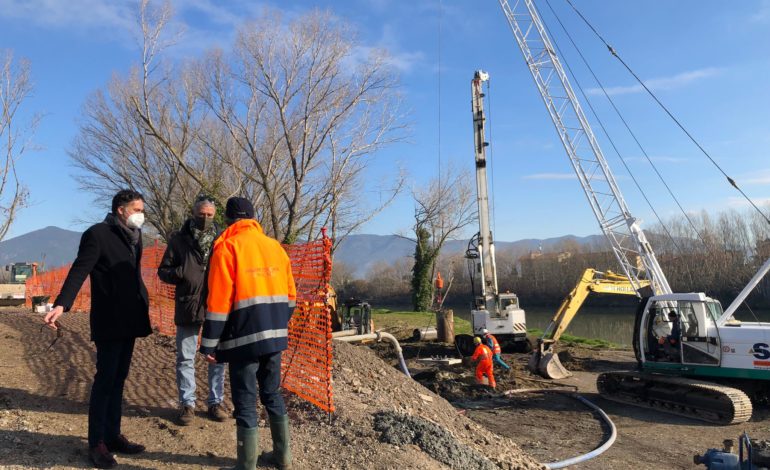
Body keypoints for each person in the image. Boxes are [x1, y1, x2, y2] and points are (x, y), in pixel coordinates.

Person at [43, 189, 151, 469]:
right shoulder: (97, 234)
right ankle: (97, 443)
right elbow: (80, 269)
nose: (142, 215)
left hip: (131, 318)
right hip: (109, 319)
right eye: (137, 209)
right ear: (121, 210)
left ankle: (113, 435)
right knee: (105, 380)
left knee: (119, 378)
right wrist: (62, 305)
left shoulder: (135, 237)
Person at [199, 197, 296, 470]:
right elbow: (291, 298)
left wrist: (209, 344)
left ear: (228, 220)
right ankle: (283, 458)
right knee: (272, 394)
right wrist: (275, 325)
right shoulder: (275, 247)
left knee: (245, 400)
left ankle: (246, 465)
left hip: (243, 339)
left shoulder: (227, 247)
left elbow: (218, 303)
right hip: (275, 338)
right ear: (254, 218)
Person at [157, 195, 228, 425]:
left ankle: (215, 403)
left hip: (217, 306)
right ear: (193, 213)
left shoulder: (223, 240)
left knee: (217, 357)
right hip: (188, 305)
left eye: (209, 215)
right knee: (185, 358)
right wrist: (180, 273)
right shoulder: (178, 240)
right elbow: (163, 271)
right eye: (201, 214)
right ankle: (187, 404)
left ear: (214, 215)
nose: (205, 218)